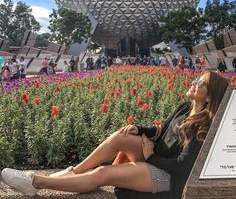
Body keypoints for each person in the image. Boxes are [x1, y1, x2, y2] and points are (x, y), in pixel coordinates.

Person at [1, 72, 228, 199]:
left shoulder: (203, 128)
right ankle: (74, 172)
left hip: (167, 176)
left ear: (209, 97)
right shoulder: (184, 108)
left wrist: (149, 158)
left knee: (104, 173)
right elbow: (159, 130)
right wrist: (139, 129)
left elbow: (181, 167)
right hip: (154, 156)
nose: (193, 82)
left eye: (200, 83)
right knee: (120, 136)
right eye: (196, 79)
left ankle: (35, 183)